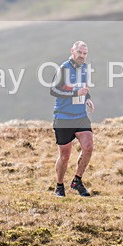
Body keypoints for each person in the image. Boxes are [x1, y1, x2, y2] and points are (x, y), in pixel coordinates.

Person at [50, 40, 95, 197]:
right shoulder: (64, 69)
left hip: (80, 116)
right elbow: (54, 91)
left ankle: (77, 181)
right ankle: (59, 186)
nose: (82, 56)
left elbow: (84, 87)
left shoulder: (85, 68)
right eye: (79, 53)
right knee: (65, 156)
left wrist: (87, 97)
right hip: (63, 117)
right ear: (72, 51)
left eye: (84, 53)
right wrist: (76, 94)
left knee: (88, 147)